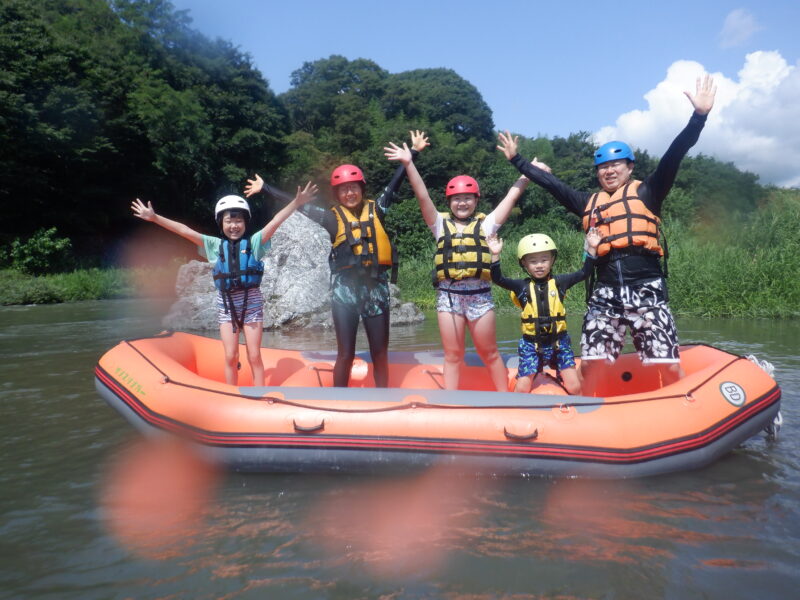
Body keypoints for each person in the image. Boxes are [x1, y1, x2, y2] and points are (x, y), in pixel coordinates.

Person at [497, 75, 717, 393]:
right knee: (593, 362)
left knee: (666, 363)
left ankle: (682, 411)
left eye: (616, 165)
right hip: (605, 293)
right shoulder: (589, 202)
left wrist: (699, 118)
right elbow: (553, 186)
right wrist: (517, 160)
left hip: (647, 290)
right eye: (603, 167)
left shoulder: (649, 191)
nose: (609, 171)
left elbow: (675, 154)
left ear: (630, 168)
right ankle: (589, 418)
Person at [243, 131, 429, 388]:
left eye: (353, 187)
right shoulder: (331, 218)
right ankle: (338, 399)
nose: (349, 193)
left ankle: (384, 399)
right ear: (337, 194)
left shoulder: (378, 209)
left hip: (376, 289)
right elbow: (296, 205)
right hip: (345, 291)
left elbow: (395, 184)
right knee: (345, 354)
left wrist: (412, 156)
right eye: (344, 190)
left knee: (380, 354)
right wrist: (266, 188)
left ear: (361, 189)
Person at [130, 184, 316, 386]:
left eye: (238, 220)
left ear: (245, 223)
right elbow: (184, 231)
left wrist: (296, 202)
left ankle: (261, 394)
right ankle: (232, 392)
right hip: (226, 306)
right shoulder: (214, 246)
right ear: (221, 223)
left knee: (254, 355)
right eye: (229, 221)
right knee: (230, 355)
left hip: (251, 304)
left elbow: (275, 222)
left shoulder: (254, 243)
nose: (234, 225)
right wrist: (155, 218)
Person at [384, 138, 531, 392]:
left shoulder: (485, 226)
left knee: (490, 353)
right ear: (449, 202)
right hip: (449, 298)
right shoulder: (440, 225)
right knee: (452, 355)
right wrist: (409, 163)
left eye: (467, 198)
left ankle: (505, 400)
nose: (462, 203)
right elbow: (422, 195)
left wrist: (528, 174)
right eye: (456, 199)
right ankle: (451, 402)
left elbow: (511, 196)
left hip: (480, 297)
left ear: (476, 200)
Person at [486, 230, 600, 394]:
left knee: (574, 386)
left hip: (559, 343)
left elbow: (584, 272)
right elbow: (498, 279)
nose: (539, 265)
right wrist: (495, 254)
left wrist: (592, 248)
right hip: (531, 345)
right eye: (533, 261)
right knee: (523, 387)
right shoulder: (521, 287)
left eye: (544, 260)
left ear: (552, 260)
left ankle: (579, 411)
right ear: (524, 263)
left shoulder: (560, 283)